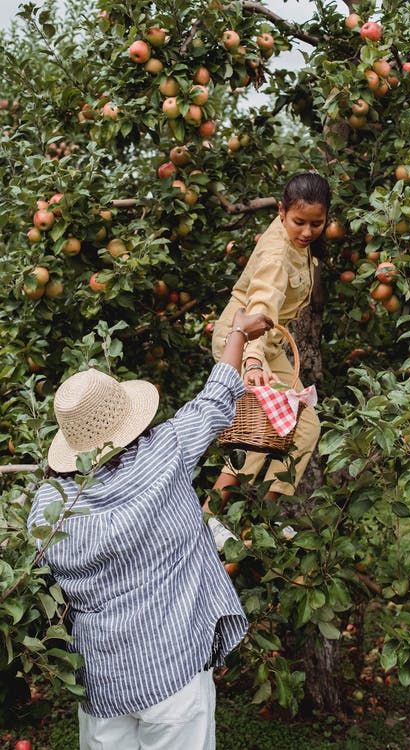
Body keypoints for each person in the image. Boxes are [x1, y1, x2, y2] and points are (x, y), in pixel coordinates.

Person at [27, 307, 273, 750]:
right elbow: (216, 401)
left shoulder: (49, 505)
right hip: (172, 664)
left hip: (102, 678)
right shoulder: (164, 453)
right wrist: (238, 331)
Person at [204, 172, 331, 550]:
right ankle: (209, 516)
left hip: (271, 344)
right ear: (281, 212)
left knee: (306, 427)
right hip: (243, 339)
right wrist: (253, 362)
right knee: (266, 428)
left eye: (316, 224)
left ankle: (267, 516)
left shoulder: (299, 243)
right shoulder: (277, 254)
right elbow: (260, 305)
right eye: (299, 222)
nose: (307, 232)